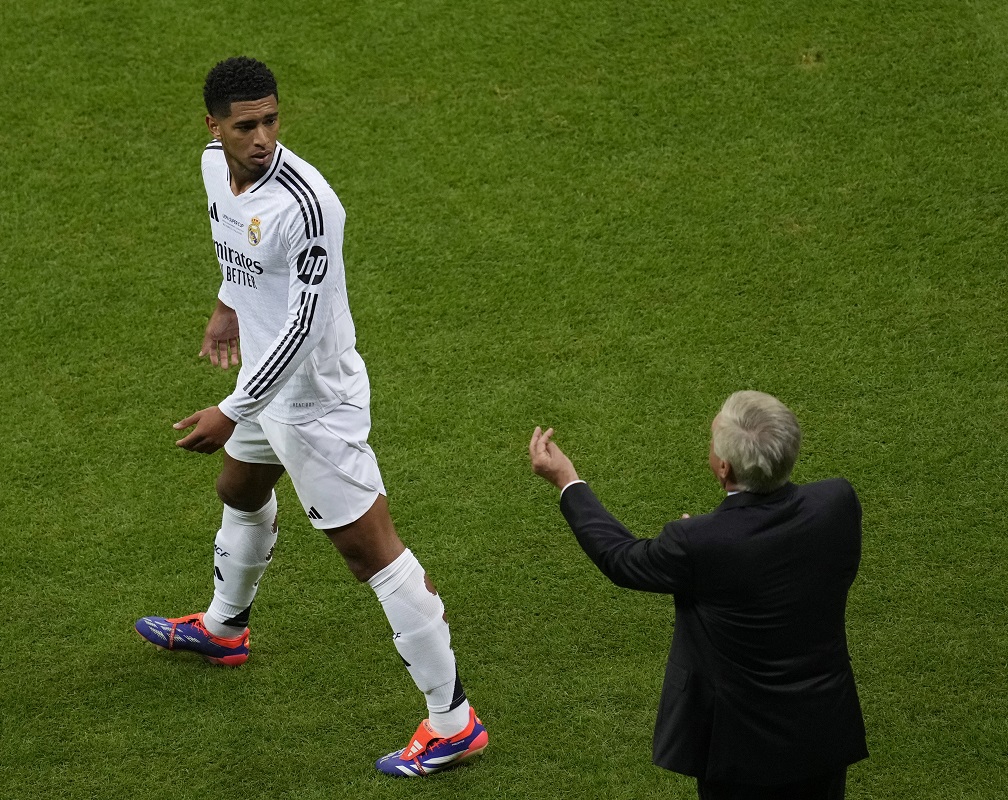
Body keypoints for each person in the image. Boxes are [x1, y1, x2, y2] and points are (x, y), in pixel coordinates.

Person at [133, 56, 487, 777]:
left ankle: (454, 723)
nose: (262, 137)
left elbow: (301, 328)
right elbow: (236, 246)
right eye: (245, 125)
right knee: (239, 491)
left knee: (370, 553)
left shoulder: (310, 204)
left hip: (315, 400)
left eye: (270, 121)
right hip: (268, 388)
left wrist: (230, 410)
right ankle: (225, 628)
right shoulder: (212, 167)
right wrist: (229, 306)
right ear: (214, 128)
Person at [528, 390, 867, 799]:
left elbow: (619, 558)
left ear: (723, 467)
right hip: (823, 728)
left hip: (739, 748)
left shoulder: (698, 543)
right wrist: (705, 548)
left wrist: (567, 479)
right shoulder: (837, 501)